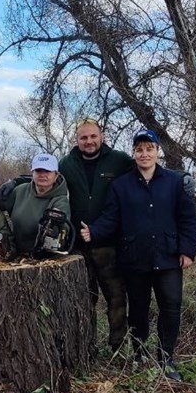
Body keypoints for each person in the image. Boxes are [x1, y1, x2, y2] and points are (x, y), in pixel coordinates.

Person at [80, 129, 196, 381]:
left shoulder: (174, 183)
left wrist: (187, 250)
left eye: (149, 149)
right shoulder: (121, 185)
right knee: (138, 310)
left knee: (171, 307)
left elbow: (188, 219)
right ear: (134, 154)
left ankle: (166, 357)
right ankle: (139, 353)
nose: (144, 154)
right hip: (134, 258)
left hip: (168, 258)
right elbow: (111, 218)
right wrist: (94, 231)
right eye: (139, 150)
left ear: (157, 152)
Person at [58, 119, 135, 353]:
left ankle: (118, 348)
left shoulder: (119, 160)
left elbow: (145, 171)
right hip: (79, 247)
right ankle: (86, 348)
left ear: (101, 136)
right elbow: (45, 181)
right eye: (83, 138)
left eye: (93, 136)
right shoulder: (66, 164)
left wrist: (179, 178)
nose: (89, 141)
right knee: (84, 300)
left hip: (109, 244)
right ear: (77, 140)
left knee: (116, 298)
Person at [4, 152, 72, 255]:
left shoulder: (60, 200)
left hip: (44, 258)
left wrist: (55, 228)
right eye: (38, 170)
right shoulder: (20, 190)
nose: (42, 175)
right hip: (14, 253)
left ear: (56, 175)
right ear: (33, 173)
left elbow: (63, 229)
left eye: (47, 171)